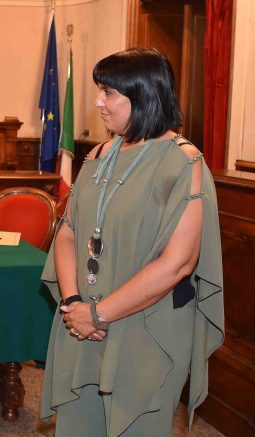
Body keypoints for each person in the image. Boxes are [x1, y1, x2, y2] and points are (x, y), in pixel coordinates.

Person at [39, 48, 224, 436]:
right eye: (99, 91)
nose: (97, 102)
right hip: (83, 321)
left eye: (108, 92)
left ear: (143, 95)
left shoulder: (184, 162)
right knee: (80, 423)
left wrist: (99, 314)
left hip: (144, 326)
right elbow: (68, 233)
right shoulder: (99, 154)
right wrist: (74, 303)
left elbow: (178, 263)